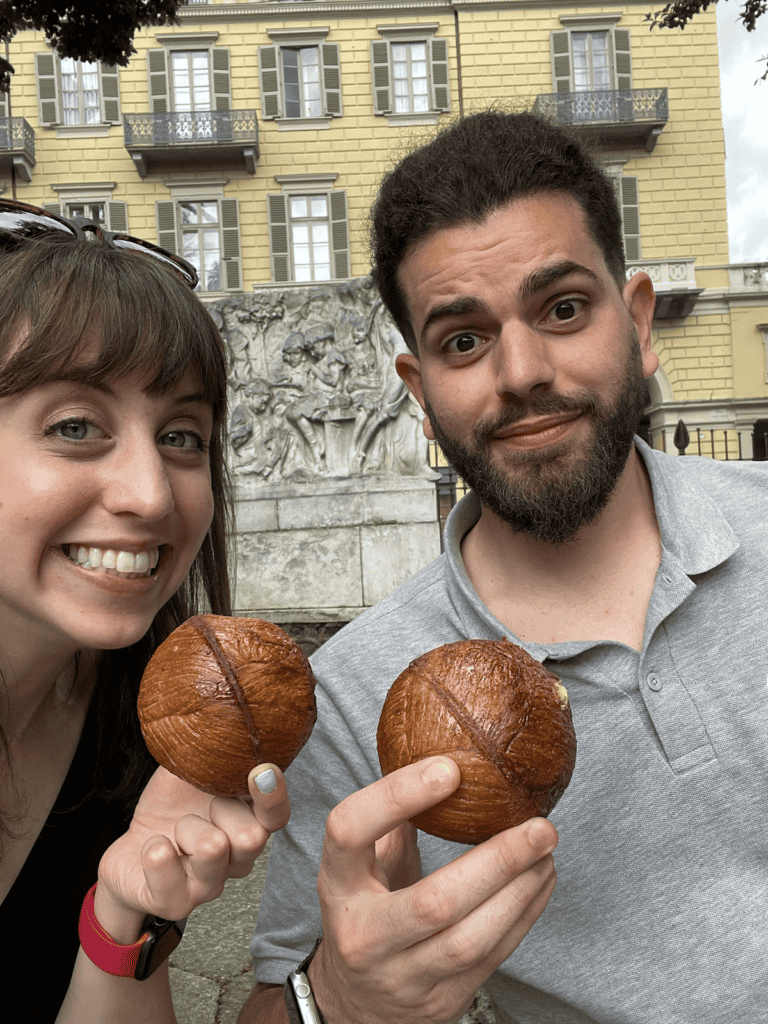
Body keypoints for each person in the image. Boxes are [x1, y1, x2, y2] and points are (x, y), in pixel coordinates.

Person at [239, 110, 768, 1024]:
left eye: (563, 309)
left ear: (638, 322)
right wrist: (337, 1000)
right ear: (418, 393)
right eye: (464, 339)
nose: (520, 370)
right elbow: (274, 1001)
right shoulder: (353, 698)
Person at [0, 202, 291, 1023]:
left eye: (182, 437)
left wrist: (125, 916)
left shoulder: (157, 731)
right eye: (75, 425)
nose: (151, 495)